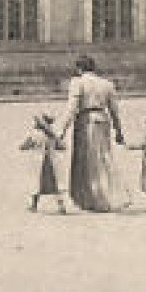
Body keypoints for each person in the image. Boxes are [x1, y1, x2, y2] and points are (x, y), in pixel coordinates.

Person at [55, 56, 128, 212]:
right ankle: (110, 197)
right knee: (104, 158)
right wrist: (119, 131)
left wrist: (61, 130)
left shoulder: (77, 82)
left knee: (86, 161)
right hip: (103, 120)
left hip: (86, 121)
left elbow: (71, 108)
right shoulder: (107, 84)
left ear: (79, 69)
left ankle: (90, 199)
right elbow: (115, 111)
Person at [19, 112, 68, 213]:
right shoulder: (52, 137)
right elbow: (62, 147)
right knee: (55, 186)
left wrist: (26, 147)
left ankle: (33, 205)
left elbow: (23, 146)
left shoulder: (34, 135)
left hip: (38, 162)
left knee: (36, 184)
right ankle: (61, 206)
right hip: (51, 163)